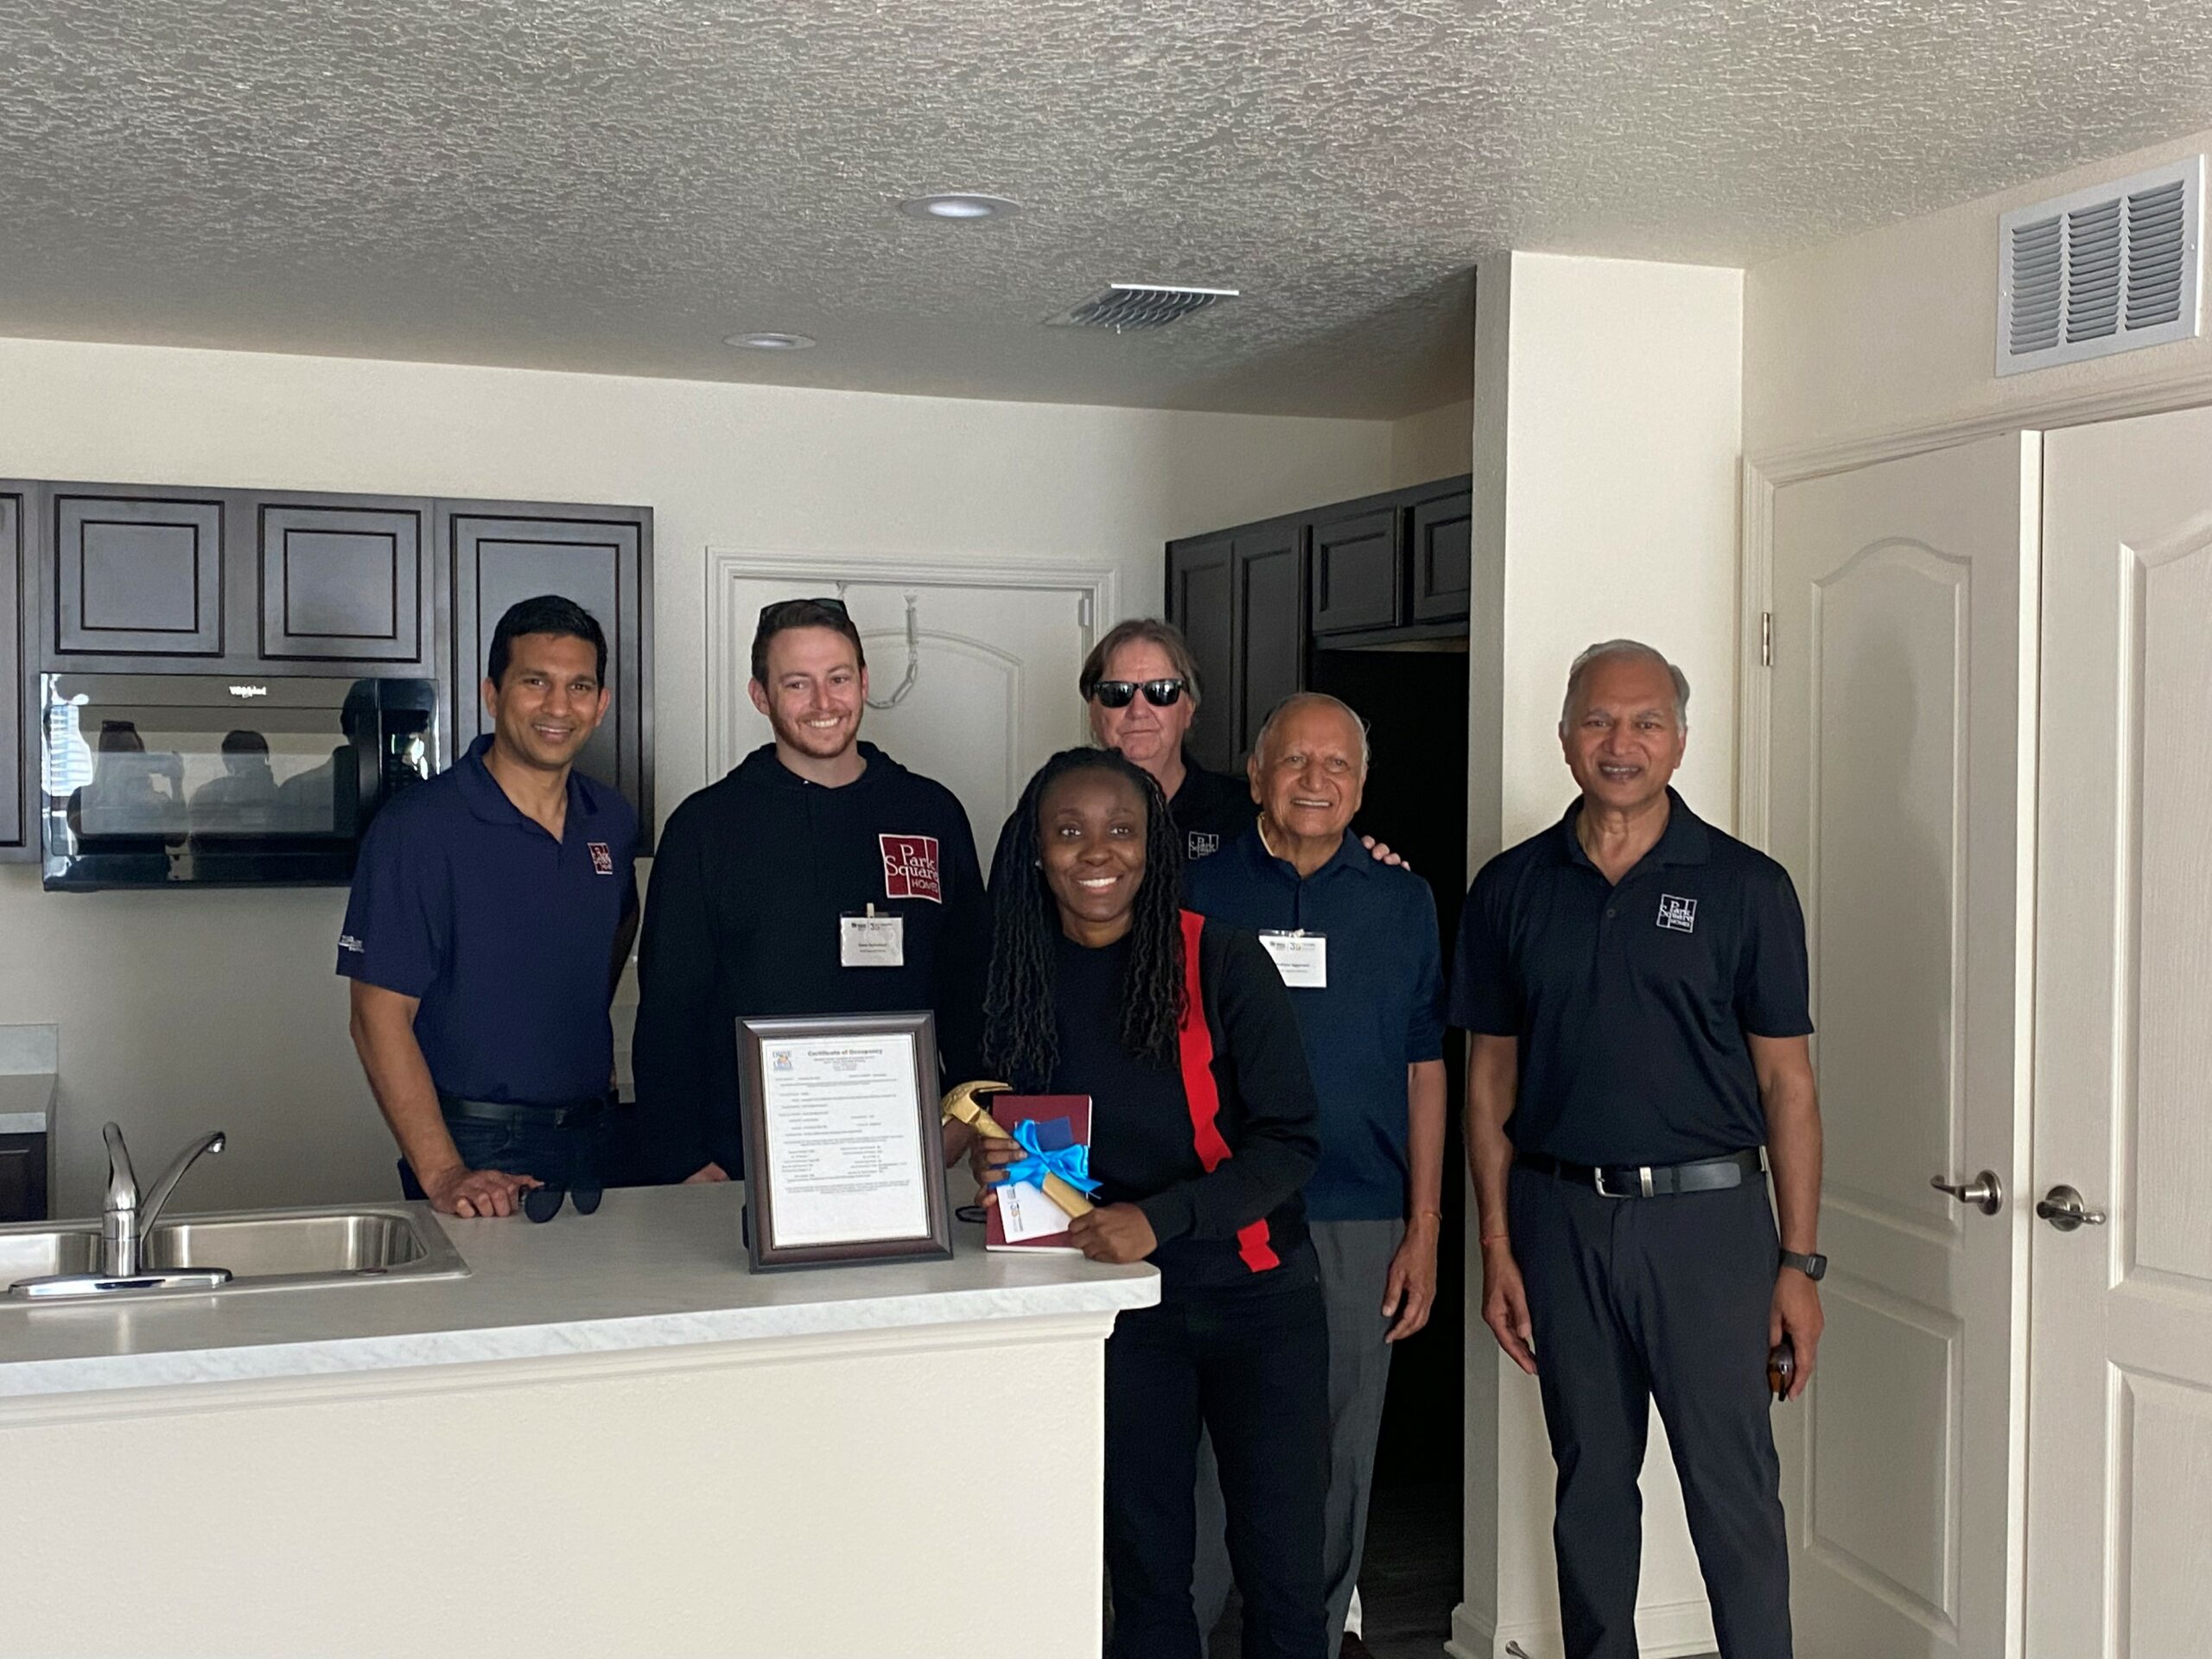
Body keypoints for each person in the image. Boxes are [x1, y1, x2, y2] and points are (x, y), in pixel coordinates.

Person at [1452, 639, 1823, 1659]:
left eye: (1645, 722)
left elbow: (1788, 1084)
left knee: (1731, 1489)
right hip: (1558, 1220)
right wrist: (1495, 1242)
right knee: (1591, 1487)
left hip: (1709, 1232)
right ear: (1565, 736)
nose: (1621, 744)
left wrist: (1797, 1262)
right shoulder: (1511, 887)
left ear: (1680, 740)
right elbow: (1490, 1078)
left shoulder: (1746, 887)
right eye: (1598, 722)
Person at [976, 746, 1328, 1659]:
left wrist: (1159, 1220)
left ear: (1152, 846)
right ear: (1036, 849)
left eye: (1121, 829)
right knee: (1143, 1571)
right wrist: (995, 1162)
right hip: (1113, 1312)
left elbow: (1289, 1141)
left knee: (1282, 1572)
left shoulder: (1220, 958)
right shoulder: (1015, 968)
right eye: (1069, 831)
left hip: (1257, 1297)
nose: (1098, 852)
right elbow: (1012, 1127)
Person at [1185, 691, 1447, 1657]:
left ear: (1363, 785)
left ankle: (1313, 1630)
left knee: (1337, 1447)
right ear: (1254, 775)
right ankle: (1185, 1629)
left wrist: (1423, 1226)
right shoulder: (1196, 886)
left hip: (1358, 1215)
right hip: (1222, 1208)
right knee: (1207, 1444)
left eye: (1337, 765)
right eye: (1294, 761)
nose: (1315, 780)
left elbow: (1427, 1064)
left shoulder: (1401, 899)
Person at [633, 595, 991, 1183]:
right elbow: (671, 1012)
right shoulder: (707, 827)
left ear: (863, 682)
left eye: (839, 679)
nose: (824, 703)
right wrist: (686, 1160)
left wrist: (967, 1110)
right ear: (761, 696)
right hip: (743, 1163)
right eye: (798, 684)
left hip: (900, 1159)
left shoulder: (929, 813)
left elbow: (968, 980)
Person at [340, 595, 639, 1218]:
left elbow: (617, 925)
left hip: (595, 1133)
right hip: (477, 1144)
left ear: (601, 704)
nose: (559, 707)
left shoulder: (609, 819)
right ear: (492, 693)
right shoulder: (419, 829)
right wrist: (445, 1172)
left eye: (579, 686)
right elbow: (377, 1017)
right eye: (536, 682)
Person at [988, 616, 1405, 890]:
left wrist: (1366, 865)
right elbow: (998, 939)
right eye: (1117, 693)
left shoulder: (1246, 813)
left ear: (1189, 707)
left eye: (1161, 692)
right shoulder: (1042, 816)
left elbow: (1317, 868)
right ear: (1093, 709)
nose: (1138, 711)